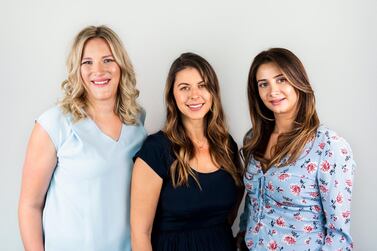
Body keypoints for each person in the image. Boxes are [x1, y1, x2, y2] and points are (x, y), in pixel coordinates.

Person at [18, 25, 146, 251]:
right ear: (77, 69)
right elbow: (30, 205)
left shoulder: (137, 122)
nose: (99, 70)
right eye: (87, 62)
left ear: (121, 65)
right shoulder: (54, 123)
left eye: (108, 60)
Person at [237, 48, 355, 250]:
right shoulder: (254, 138)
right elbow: (253, 201)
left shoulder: (329, 146)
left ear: (298, 81)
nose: (272, 91)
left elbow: (339, 236)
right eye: (263, 84)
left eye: (281, 79)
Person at [130, 52, 244, 251]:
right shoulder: (156, 150)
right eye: (184, 88)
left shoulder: (227, 146)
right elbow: (140, 234)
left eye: (202, 85)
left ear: (213, 92)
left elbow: (231, 210)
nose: (194, 95)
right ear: (172, 95)